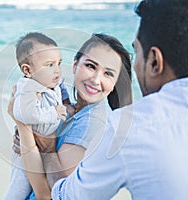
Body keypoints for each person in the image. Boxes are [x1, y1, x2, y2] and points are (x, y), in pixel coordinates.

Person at [46, 0, 188, 199]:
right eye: (90, 66)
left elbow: (68, 197)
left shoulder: (131, 127)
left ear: (155, 61)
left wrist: (44, 147)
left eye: (137, 51)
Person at [8, 33, 132, 199]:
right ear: (75, 65)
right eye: (91, 66)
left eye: (108, 74)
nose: (96, 80)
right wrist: (30, 140)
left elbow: (49, 195)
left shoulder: (92, 123)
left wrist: (26, 130)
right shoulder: (75, 109)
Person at [4, 32, 68, 200]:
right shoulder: (27, 87)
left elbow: (62, 92)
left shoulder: (52, 81)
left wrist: (69, 106)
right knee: (18, 190)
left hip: (42, 147)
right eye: (49, 65)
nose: (57, 70)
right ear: (27, 70)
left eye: (58, 63)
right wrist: (53, 113)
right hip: (25, 149)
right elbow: (23, 114)